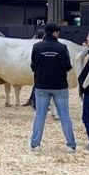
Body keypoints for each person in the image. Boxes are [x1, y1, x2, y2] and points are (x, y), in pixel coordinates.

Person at [28, 23, 76, 153]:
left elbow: (33, 66)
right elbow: (68, 66)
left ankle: (35, 144)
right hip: (60, 86)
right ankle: (70, 145)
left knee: (40, 116)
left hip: (41, 85)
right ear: (55, 33)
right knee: (64, 115)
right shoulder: (62, 47)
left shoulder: (36, 47)